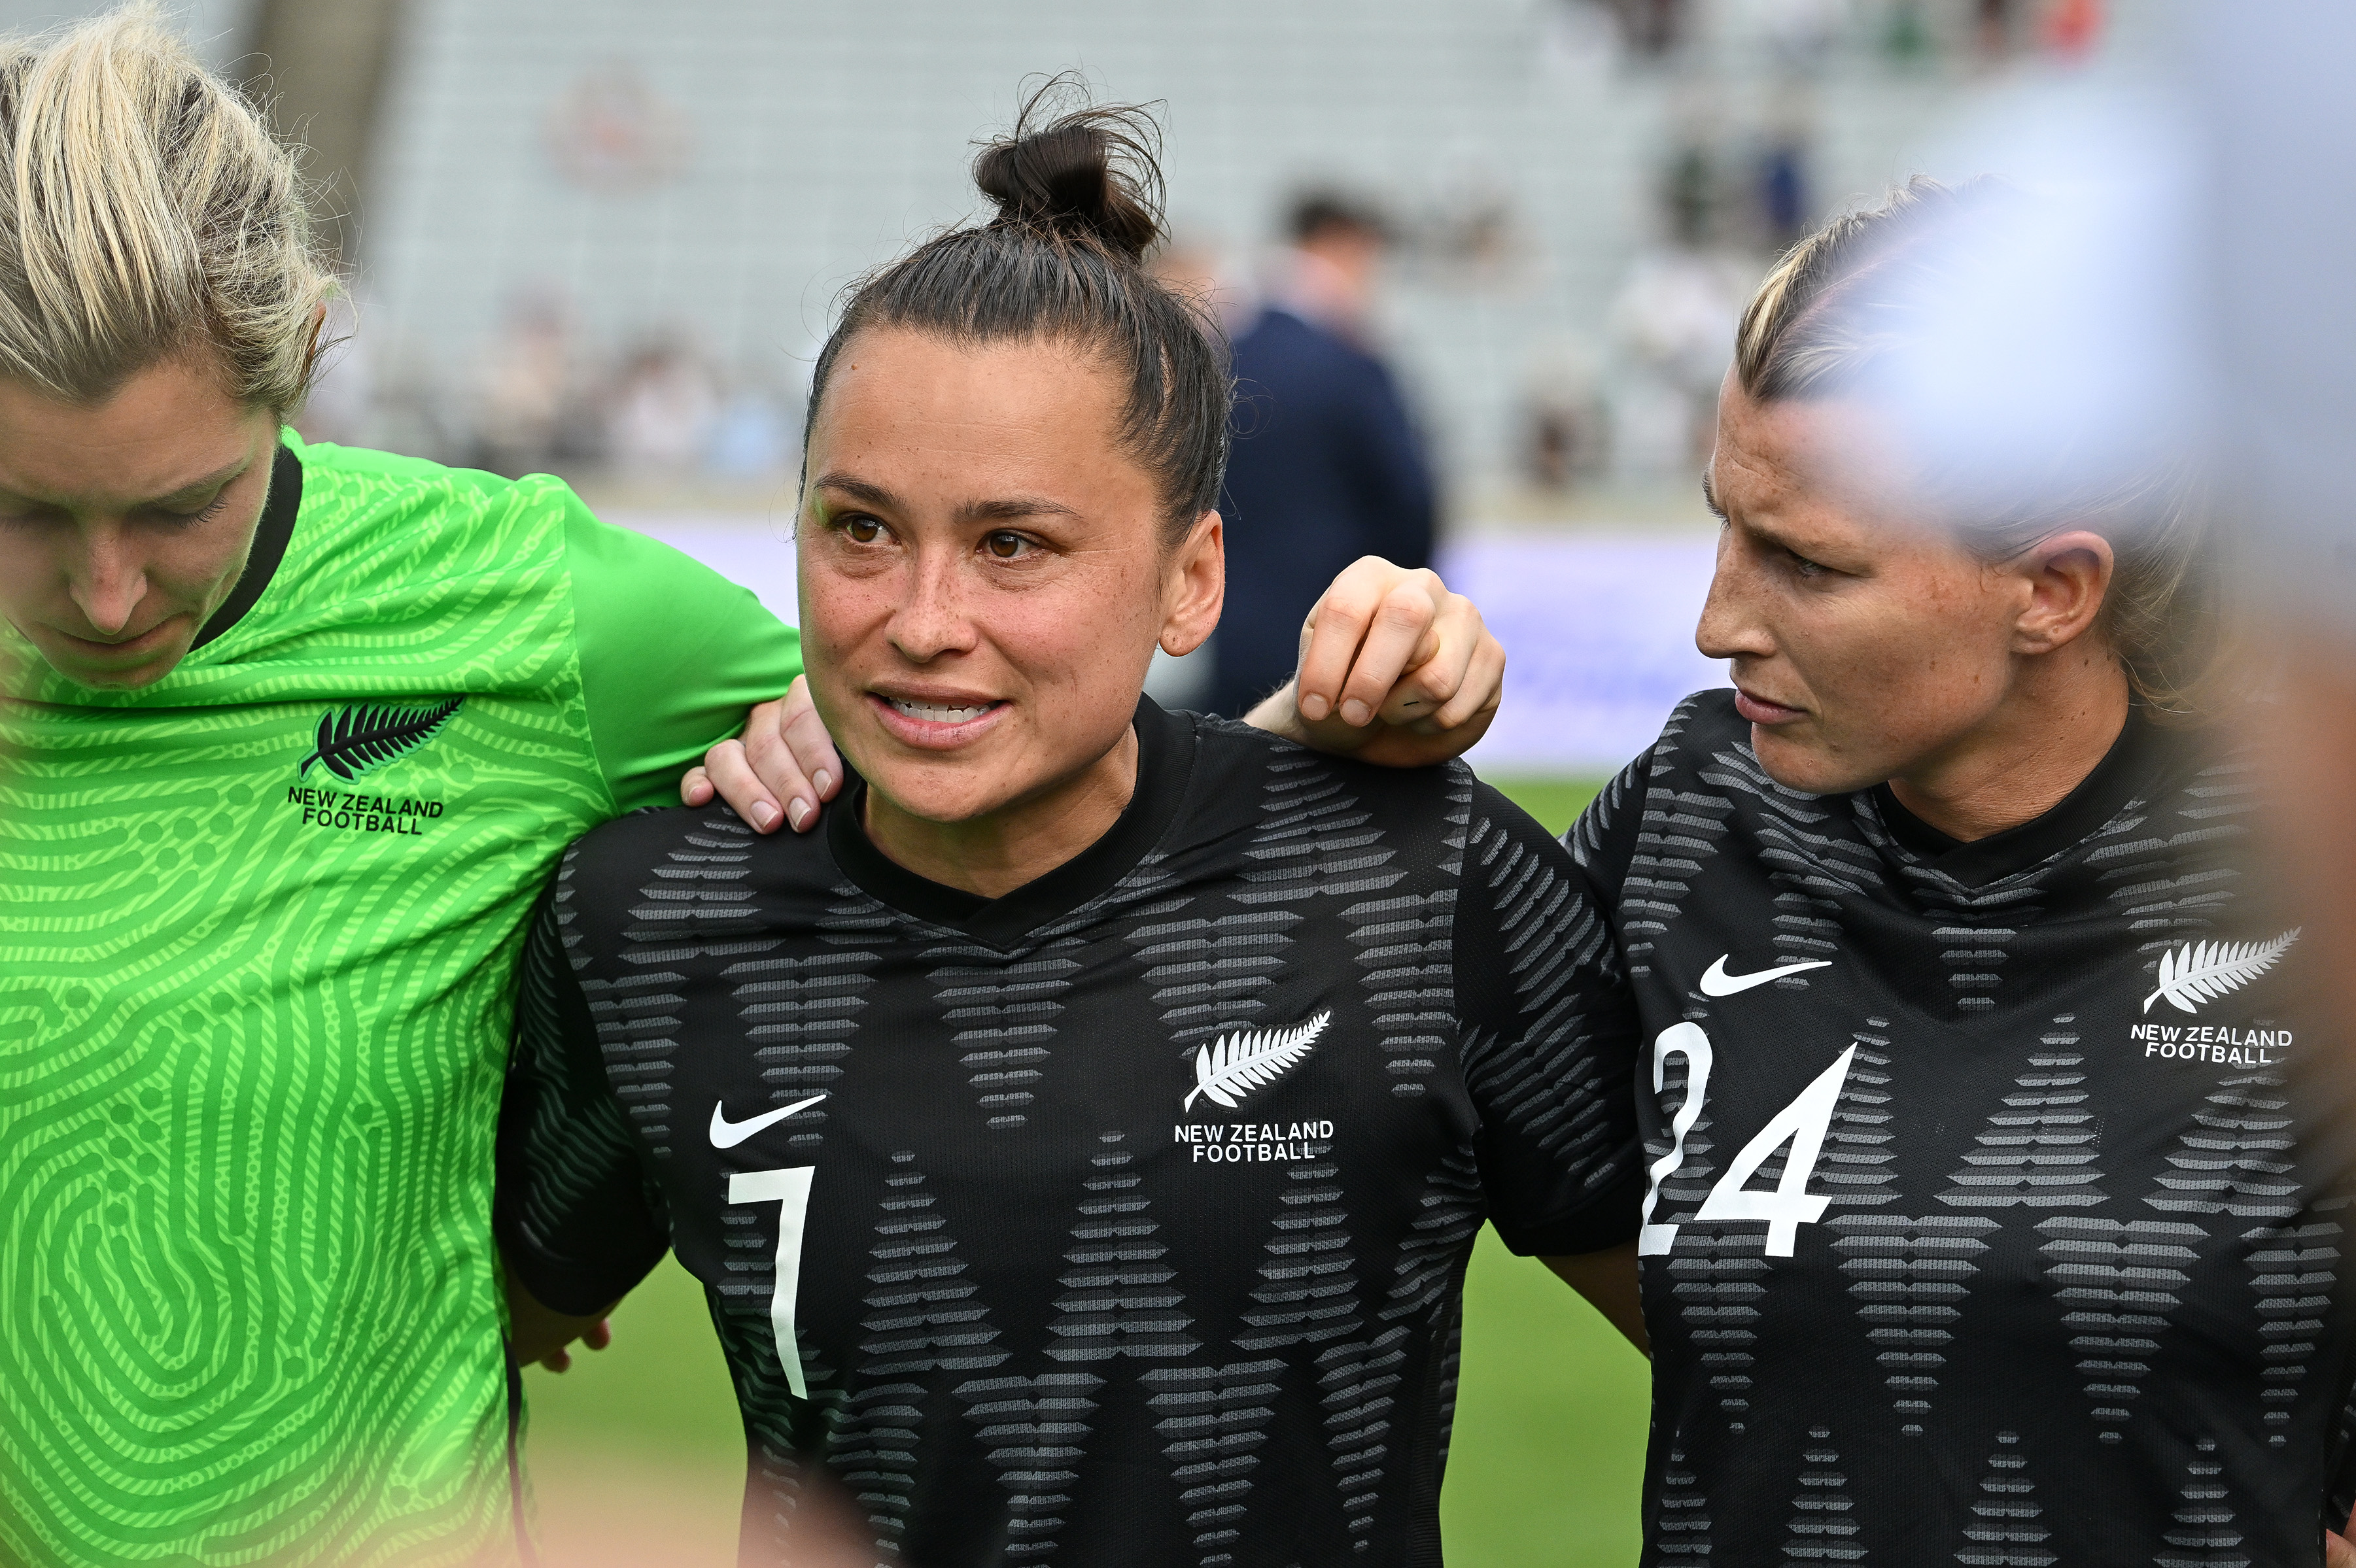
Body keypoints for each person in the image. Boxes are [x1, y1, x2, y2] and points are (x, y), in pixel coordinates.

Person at [0, 18, 1498, 1565]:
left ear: (301, 357)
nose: (107, 592)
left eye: (178, 505)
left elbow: (997, 737)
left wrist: (1329, 723)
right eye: (24, 509)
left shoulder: (536, 609)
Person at [494, 98, 1643, 1567]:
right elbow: (468, 1332)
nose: (919, 621)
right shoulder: (649, 918)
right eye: (858, 528)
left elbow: (1782, 1368)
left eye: (1012, 544)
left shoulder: (1418, 876)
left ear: (1190, 580)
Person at [1209, 191, 1436, 720]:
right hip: (1339, 635)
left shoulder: (1222, 354)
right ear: (1344, 246)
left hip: (1226, 626)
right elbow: (1410, 498)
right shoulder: (1350, 363)